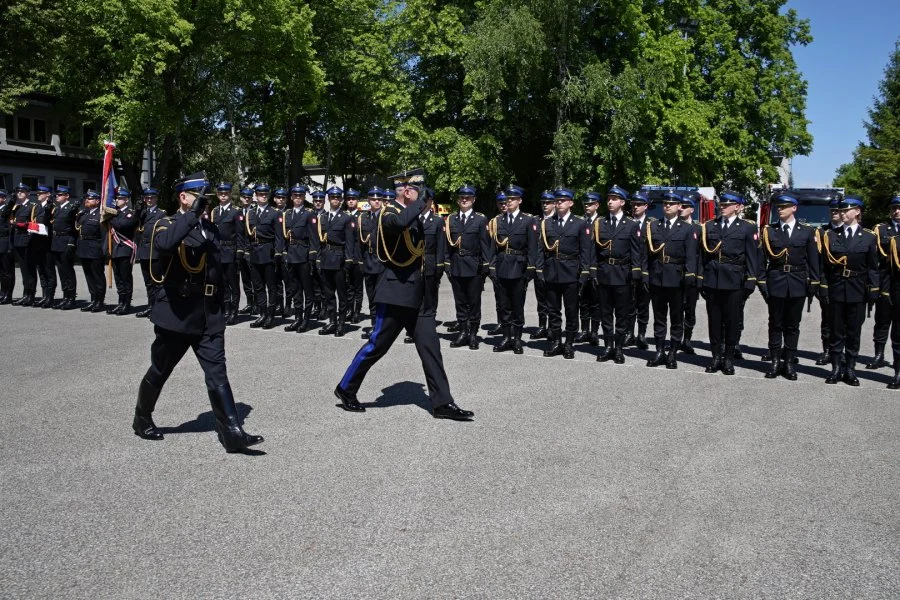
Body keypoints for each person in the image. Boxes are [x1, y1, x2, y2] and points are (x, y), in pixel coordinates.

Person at [132, 172, 263, 452]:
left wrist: (224, 304)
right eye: (198, 198)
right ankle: (142, 417)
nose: (204, 204)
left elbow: (217, 270)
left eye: (206, 199)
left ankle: (233, 432)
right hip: (177, 315)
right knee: (161, 369)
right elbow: (166, 246)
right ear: (184, 197)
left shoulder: (211, 229)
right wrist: (191, 214)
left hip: (208, 315)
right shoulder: (164, 223)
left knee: (217, 372)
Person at [334, 173, 474, 421]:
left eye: (419, 190)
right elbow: (398, 225)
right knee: (377, 346)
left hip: (420, 295)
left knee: (431, 348)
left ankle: (442, 402)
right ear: (403, 190)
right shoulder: (387, 213)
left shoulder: (419, 216)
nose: (417, 194)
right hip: (396, 293)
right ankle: (346, 388)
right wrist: (419, 203)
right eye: (413, 189)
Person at [756, 191, 821, 380]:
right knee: (775, 324)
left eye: (784, 207)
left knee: (793, 325)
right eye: (779, 207)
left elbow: (813, 260)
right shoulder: (769, 230)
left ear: (794, 208)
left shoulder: (807, 231)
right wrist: (762, 283)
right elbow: (762, 261)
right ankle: (775, 361)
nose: (780, 210)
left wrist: (814, 283)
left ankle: (789, 362)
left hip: (797, 281)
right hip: (775, 281)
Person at [820, 196, 879, 386]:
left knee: (853, 332)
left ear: (857, 212)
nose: (843, 213)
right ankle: (836, 369)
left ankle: (850, 370)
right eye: (841, 210)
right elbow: (825, 267)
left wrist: (874, 289)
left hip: (857, 289)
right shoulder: (831, 235)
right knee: (836, 331)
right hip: (837, 287)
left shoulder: (869, 237)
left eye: (847, 210)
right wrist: (823, 288)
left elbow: (872, 267)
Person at [699, 191, 759, 375]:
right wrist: (701, 279)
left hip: (734, 280)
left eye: (727, 204)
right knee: (714, 321)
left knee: (732, 321)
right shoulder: (709, 226)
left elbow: (752, 255)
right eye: (721, 204)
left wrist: (751, 279)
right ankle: (716, 357)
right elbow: (702, 256)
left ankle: (728, 358)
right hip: (712, 279)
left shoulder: (746, 228)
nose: (722, 206)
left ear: (738, 207)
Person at [535, 188, 593, 359]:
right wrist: (539, 270)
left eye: (562, 200)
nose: (559, 203)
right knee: (553, 310)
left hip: (571, 271)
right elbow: (541, 249)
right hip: (552, 270)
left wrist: (584, 273)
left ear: (571, 203)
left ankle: (568, 343)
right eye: (557, 201)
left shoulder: (580, 223)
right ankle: (556, 342)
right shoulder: (547, 223)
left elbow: (585, 251)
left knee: (571, 310)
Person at [644, 191, 699, 369]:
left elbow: (691, 255)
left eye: (671, 203)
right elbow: (647, 254)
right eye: (665, 203)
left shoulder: (688, 228)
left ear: (679, 207)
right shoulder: (653, 226)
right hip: (657, 276)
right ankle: (659, 351)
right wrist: (645, 274)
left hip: (677, 278)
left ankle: (672, 353)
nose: (667, 206)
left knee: (676, 318)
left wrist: (690, 276)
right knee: (659, 317)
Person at [594, 185, 645, 363]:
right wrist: (593, 271)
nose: (610, 202)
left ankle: (619, 348)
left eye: (614, 199)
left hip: (623, 274)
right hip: (604, 272)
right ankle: (607, 346)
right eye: (608, 199)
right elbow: (594, 250)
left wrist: (636, 272)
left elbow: (636, 251)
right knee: (605, 312)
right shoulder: (600, 223)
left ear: (622, 202)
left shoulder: (631, 225)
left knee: (622, 314)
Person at [488, 185, 537, 354]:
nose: (508, 202)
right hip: (502, 266)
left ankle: (517, 339)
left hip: (519, 266)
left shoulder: (528, 220)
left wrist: (530, 268)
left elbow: (532, 246)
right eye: (507, 199)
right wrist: (492, 267)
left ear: (519, 201)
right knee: (504, 305)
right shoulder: (498, 221)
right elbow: (493, 247)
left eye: (512, 199)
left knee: (517, 305)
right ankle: (506, 337)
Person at [444, 185, 492, 349]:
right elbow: (447, 246)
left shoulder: (480, 219)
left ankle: (473, 334)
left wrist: (486, 265)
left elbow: (485, 243)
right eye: (462, 198)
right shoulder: (451, 219)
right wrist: (447, 264)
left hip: (473, 266)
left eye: (468, 198)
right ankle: (463, 332)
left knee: (473, 302)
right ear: (458, 200)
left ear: (473, 200)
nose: (465, 200)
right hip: (456, 265)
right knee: (460, 302)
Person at [315, 186, 358, 336]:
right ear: (329, 199)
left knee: (342, 294)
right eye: (332, 197)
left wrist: (348, 261)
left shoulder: (346, 217)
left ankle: (341, 323)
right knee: (328, 293)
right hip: (326, 257)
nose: (335, 200)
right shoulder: (323, 217)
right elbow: (320, 242)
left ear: (341, 200)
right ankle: (332, 321)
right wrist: (318, 259)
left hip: (339, 258)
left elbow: (350, 242)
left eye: (337, 197)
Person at [867, 198, 900, 369]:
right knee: (882, 319)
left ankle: (897, 359)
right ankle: (879, 354)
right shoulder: (881, 229)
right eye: (894, 208)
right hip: (885, 278)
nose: (897, 211)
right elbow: (876, 256)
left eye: (899, 208)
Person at [246, 183, 284, 329]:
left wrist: (278, 252)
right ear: (256, 195)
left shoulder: (275, 213)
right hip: (255, 251)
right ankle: (262, 314)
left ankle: (270, 315)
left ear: (268, 196)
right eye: (260, 194)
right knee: (258, 286)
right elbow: (247, 235)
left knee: (271, 286)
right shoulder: (251, 212)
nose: (263, 196)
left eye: (265, 194)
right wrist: (247, 251)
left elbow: (279, 236)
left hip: (268, 252)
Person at [283, 183, 318, 333]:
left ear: (304, 197)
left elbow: (314, 237)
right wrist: (284, 253)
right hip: (291, 255)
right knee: (295, 289)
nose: (298, 198)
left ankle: (306, 320)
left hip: (303, 255)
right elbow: (284, 237)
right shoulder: (287, 214)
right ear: (291, 197)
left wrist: (312, 257)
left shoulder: (309, 214)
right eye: (295, 195)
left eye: (300, 196)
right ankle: (297, 318)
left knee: (307, 290)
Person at [815, 197, 844, 365]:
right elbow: (817, 261)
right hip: (828, 282)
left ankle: (842, 351)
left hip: (846, 283)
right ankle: (827, 350)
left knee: (845, 321)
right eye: (832, 210)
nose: (834, 213)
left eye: (838, 210)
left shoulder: (857, 232)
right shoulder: (822, 232)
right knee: (827, 319)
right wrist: (820, 284)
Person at [625, 191, 653, 349]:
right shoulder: (627, 224)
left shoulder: (651, 225)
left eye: (639, 204)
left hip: (646, 271)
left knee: (643, 304)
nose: (635, 207)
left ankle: (641, 335)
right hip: (628, 270)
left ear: (646, 206)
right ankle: (629, 333)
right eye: (634, 204)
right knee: (630, 304)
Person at [104, 188, 139, 315]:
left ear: (126, 200)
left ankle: (127, 304)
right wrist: (107, 249)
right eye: (116, 198)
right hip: (115, 250)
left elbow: (122, 225)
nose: (117, 200)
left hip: (125, 249)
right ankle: (120, 302)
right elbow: (109, 233)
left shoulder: (130, 213)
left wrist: (110, 217)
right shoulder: (114, 213)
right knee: (118, 278)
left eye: (120, 198)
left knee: (125, 278)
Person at [135, 187, 168, 318]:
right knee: (148, 282)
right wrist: (137, 211)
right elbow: (134, 224)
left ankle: (159, 307)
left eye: (151, 197)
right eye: (146, 198)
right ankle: (150, 306)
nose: (149, 200)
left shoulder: (161, 214)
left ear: (156, 198)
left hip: (154, 251)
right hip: (144, 251)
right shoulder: (142, 213)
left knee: (157, 282)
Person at [575, 192, 602, 345]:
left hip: (596, 267)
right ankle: (584, 331)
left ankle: (594, 332)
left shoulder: (602, 222)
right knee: (582, 301)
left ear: (597, 205)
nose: (587, 206)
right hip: (581, 267)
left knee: (596, 301)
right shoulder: (579, 222)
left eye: (590, 204)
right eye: (585, 204)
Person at [359, 187, 386, 339]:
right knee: (371, 298)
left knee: (381, 297)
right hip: (368, 261)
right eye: (374, 199)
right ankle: (374, 324)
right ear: (369, 201)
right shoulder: (363, 218)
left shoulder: (386, 216)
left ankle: (381, 327)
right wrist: (359, 262)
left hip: (382, 262)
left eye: (379, 199)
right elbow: (359, 243)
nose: (376, 201)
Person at [530, 191, 556, 340]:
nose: (545, 205)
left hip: (552, 264)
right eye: (543, 202)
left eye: (548, 202)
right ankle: (542, 326)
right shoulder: (535, 220)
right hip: (537, 264)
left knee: (552, 299)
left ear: (554, 204)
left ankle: (553, 328)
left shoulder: (555, 220)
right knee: (541, 299)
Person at [678, 193, 702, 354]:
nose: (681, 209)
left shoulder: (699, 229)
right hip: (676, 276)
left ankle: (687, 339)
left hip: (691, 276)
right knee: (676, 310)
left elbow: (701, 255)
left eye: (685, 206)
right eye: (680, 206)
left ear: (691, 209)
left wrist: (699, 277)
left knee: (690, 310)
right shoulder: (675, 227)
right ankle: (676, 339)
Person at [75, 191, 107, 312]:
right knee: (89, 276)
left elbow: (104, 235)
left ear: (98, 201)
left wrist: (104, 251)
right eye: (86, 198)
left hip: (95, 248)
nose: (87, 200)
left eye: (90, 198)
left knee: (97, 276)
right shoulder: (83, 214)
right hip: (84, 247)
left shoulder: (101, 215)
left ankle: (100, 301)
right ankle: (93, 299)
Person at [49, 185, 79, 309]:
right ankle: (65, 296)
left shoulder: (71, 208)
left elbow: (74, 228)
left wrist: (71, 243)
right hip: (57, 241)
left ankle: (71, 297)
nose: (57, 196)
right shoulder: (56, 209)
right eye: (57, 195)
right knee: (61, 271)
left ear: (67, 196)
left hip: (66, 240)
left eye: (60, 195)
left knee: (68, 271)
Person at [881, 196, 900, 388]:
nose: (897, 211)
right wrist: (885, 292)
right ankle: (898, 372)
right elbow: (889, 269)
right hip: (898, 290)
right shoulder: (895, 241)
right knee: (898, 334)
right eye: (894, 208)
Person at [11, 182, 40, 305]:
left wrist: (20, 225)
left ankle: (31, 295)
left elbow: (35, 225)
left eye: (22, 192)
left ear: (28, 193)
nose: (19, 193)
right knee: (23, 269)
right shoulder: (17, 207)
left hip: (28, 241)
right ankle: (25, 294)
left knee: (30, 269)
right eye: (18, 192)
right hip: (18, 241)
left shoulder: (32, 206)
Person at [487, 191, 508, 336]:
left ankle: (512, 324)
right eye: (501, 203)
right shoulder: (494, 222)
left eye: (506, 202)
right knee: (499, 297)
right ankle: (501, 322)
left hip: (515, 265)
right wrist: (492, 267)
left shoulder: (523, 220)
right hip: (499, 265)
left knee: (514, 299)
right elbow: (491, 247)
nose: (503, 205)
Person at [344, 188, 365, 323]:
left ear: (357, 201)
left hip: (358, 257)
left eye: (353, 199)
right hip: (345, 256)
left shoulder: (362, 217)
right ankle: (349, 310)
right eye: (349, 199)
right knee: (348, 285)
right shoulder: (343, 216)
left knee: (358, 286)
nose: (351, 201)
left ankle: (357, 311)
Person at [236, 187, 257, 316]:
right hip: (240, 249)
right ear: (240, 198)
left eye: (249, 197)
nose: (246, 199)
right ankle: (249, 303)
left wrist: (249, 249)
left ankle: (257, 304)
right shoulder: (237, 212)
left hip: (252, 249)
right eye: (244, 197)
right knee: (245, 279)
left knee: (255, 278)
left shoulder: (255, 212)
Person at [0, 190, 15, 304]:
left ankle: (8, 295)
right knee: (1, 272)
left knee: (7, 271)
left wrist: (10, 246)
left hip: (5, 243)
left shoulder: (8, 210)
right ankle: (2, 293)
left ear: (4, 198)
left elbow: (10, 230)